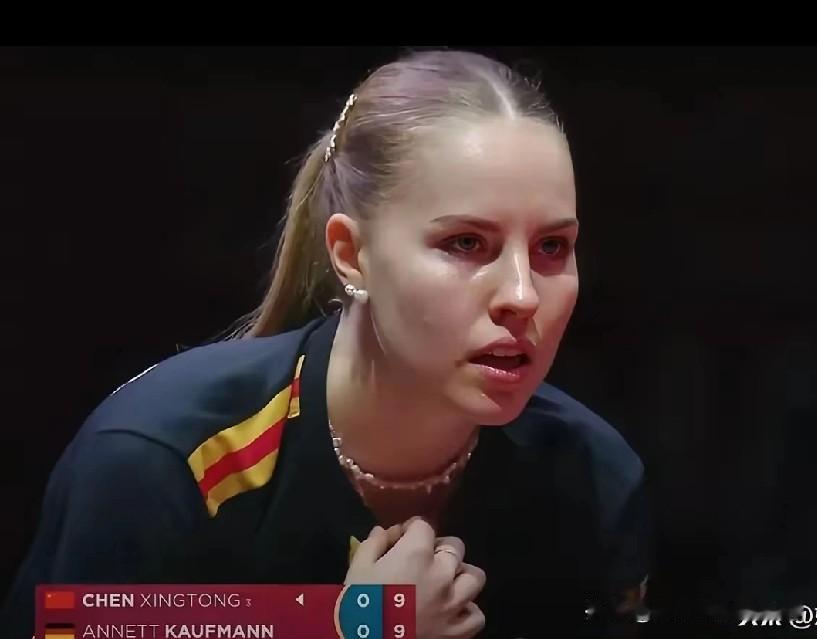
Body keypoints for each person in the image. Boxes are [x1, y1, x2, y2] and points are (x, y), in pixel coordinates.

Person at [2, 49, 650, 638]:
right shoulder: (158, 461)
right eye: (465, 243)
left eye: (551, 247)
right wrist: (355, 628)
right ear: (350, 254)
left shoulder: (595, 477)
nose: (523, 295)